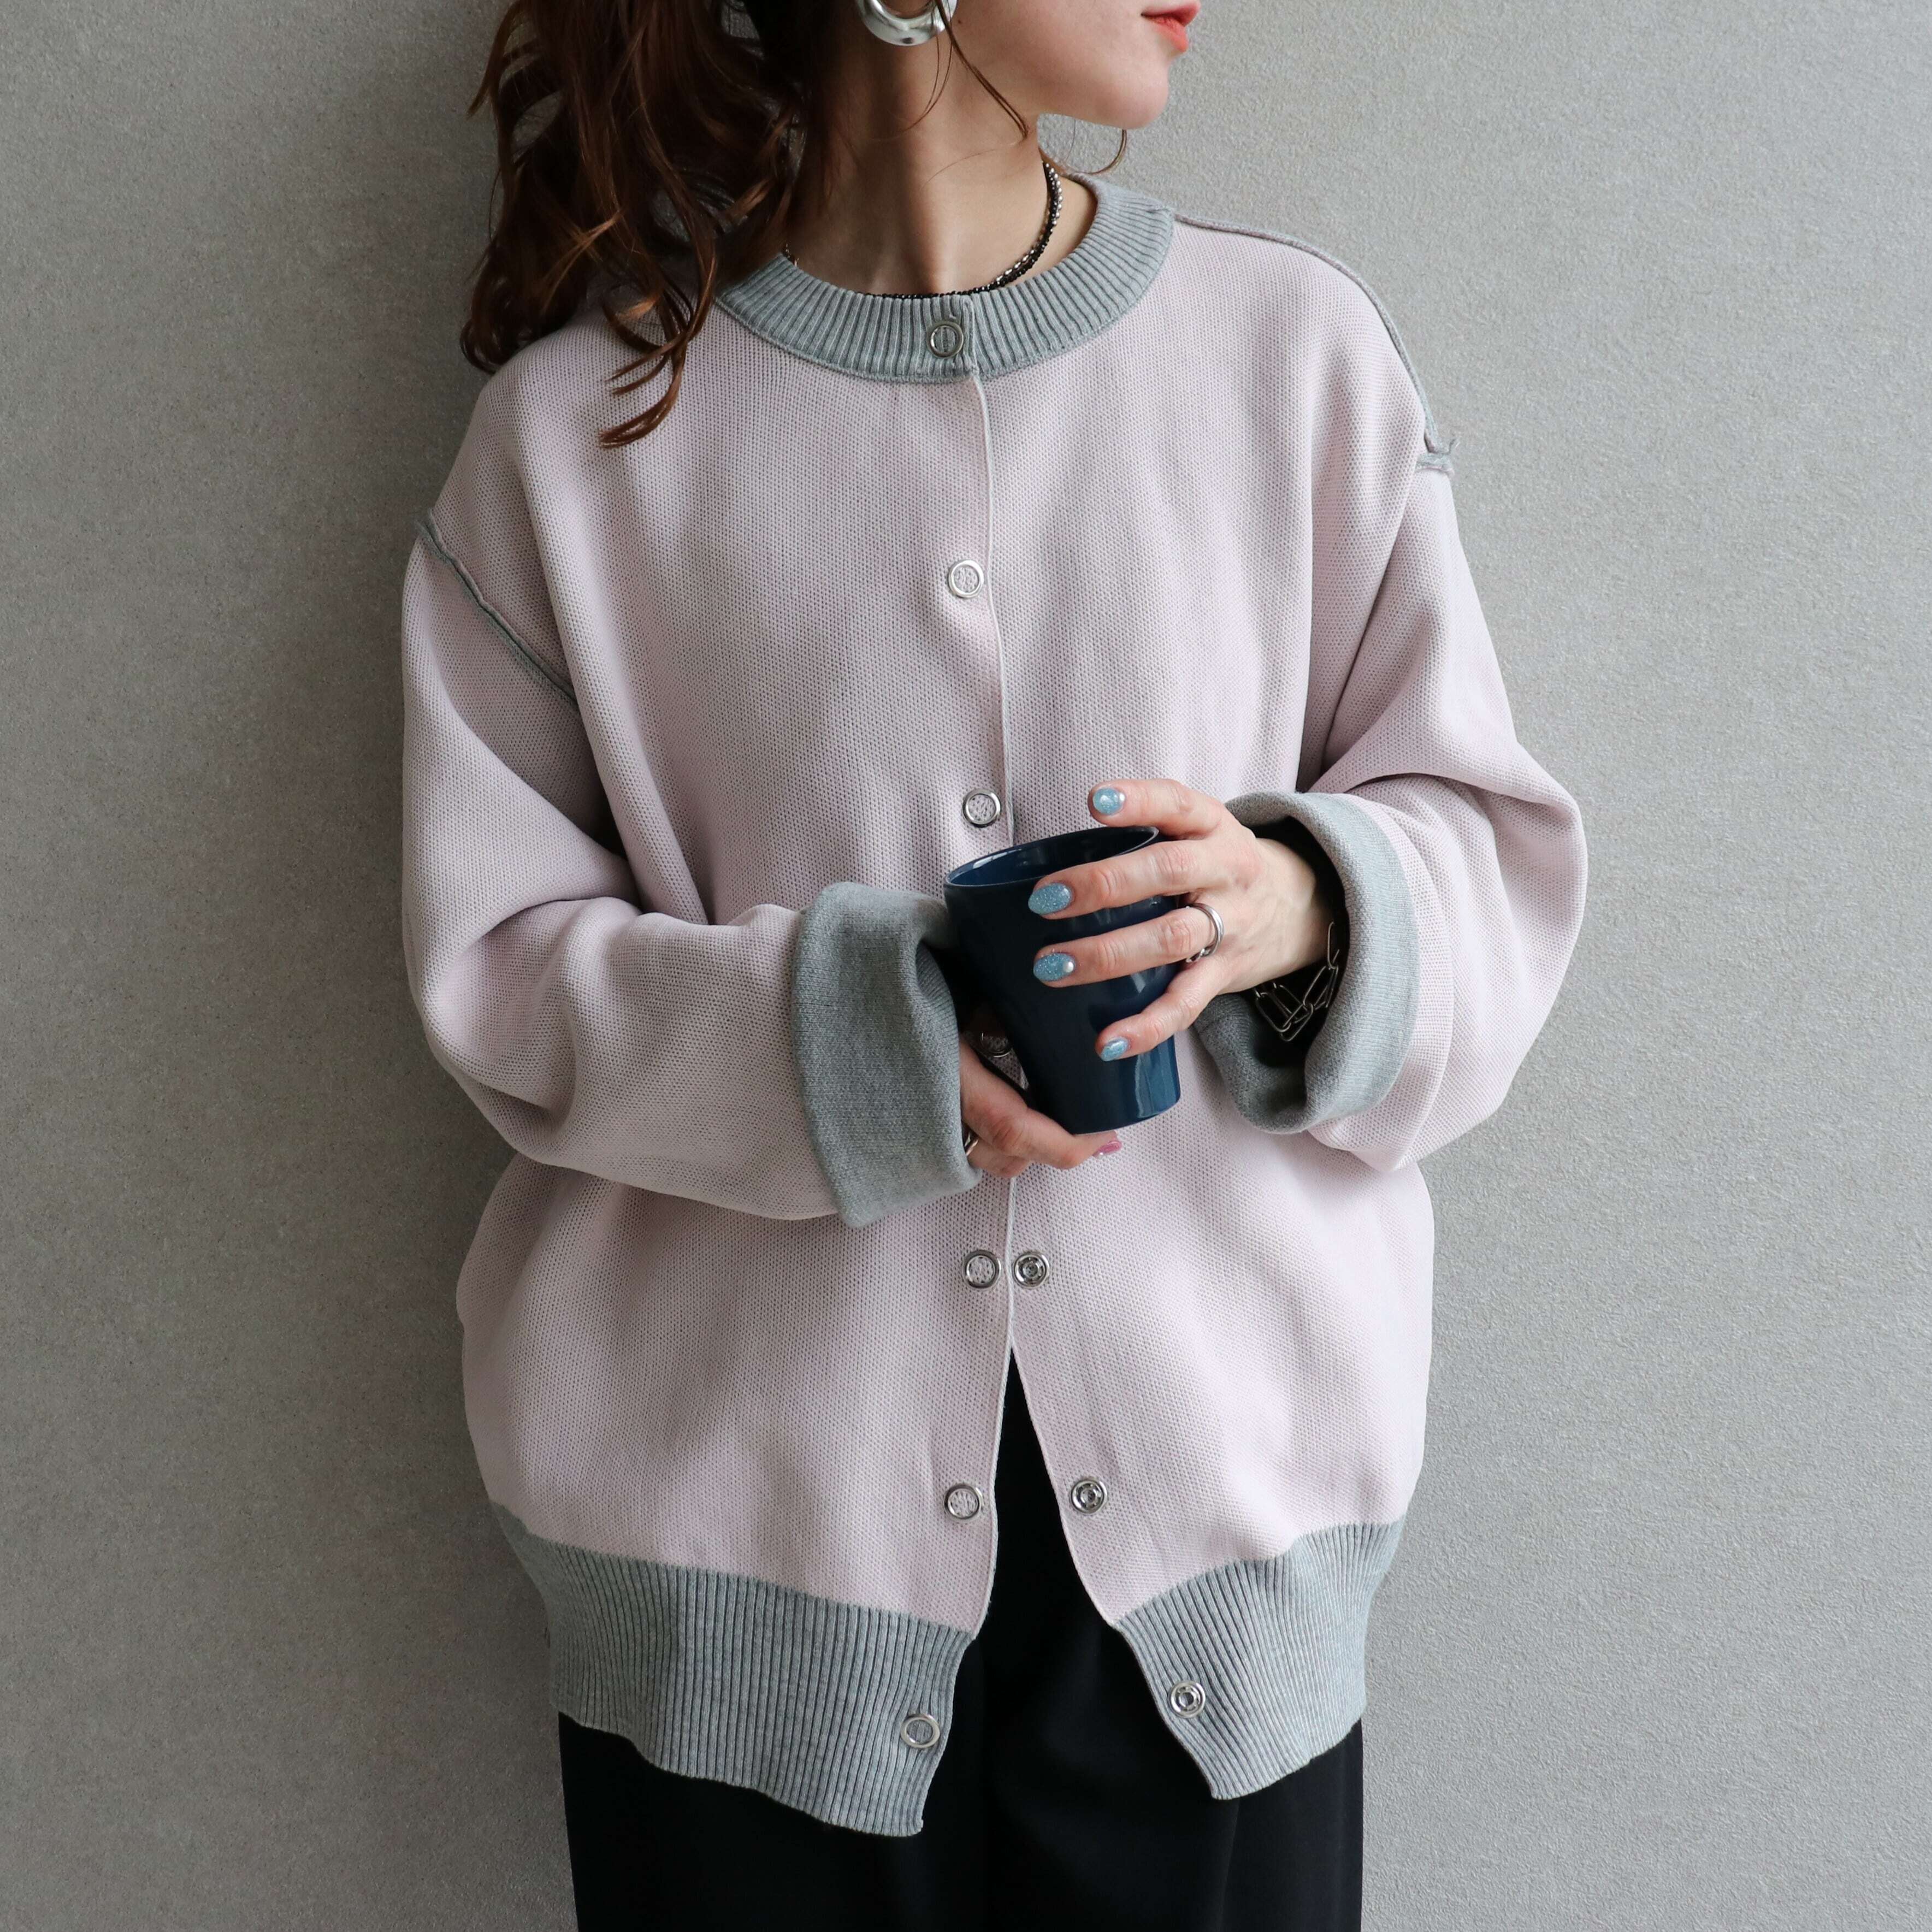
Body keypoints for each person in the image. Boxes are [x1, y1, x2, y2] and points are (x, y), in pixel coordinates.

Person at [397, 0, 1590, 1925]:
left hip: (1217, 1580)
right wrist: (853, 1039)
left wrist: (1297, 903)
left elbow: (1496, 859)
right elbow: (500, 974)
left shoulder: (1292, 355)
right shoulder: (573, 441)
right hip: (737, 1594)